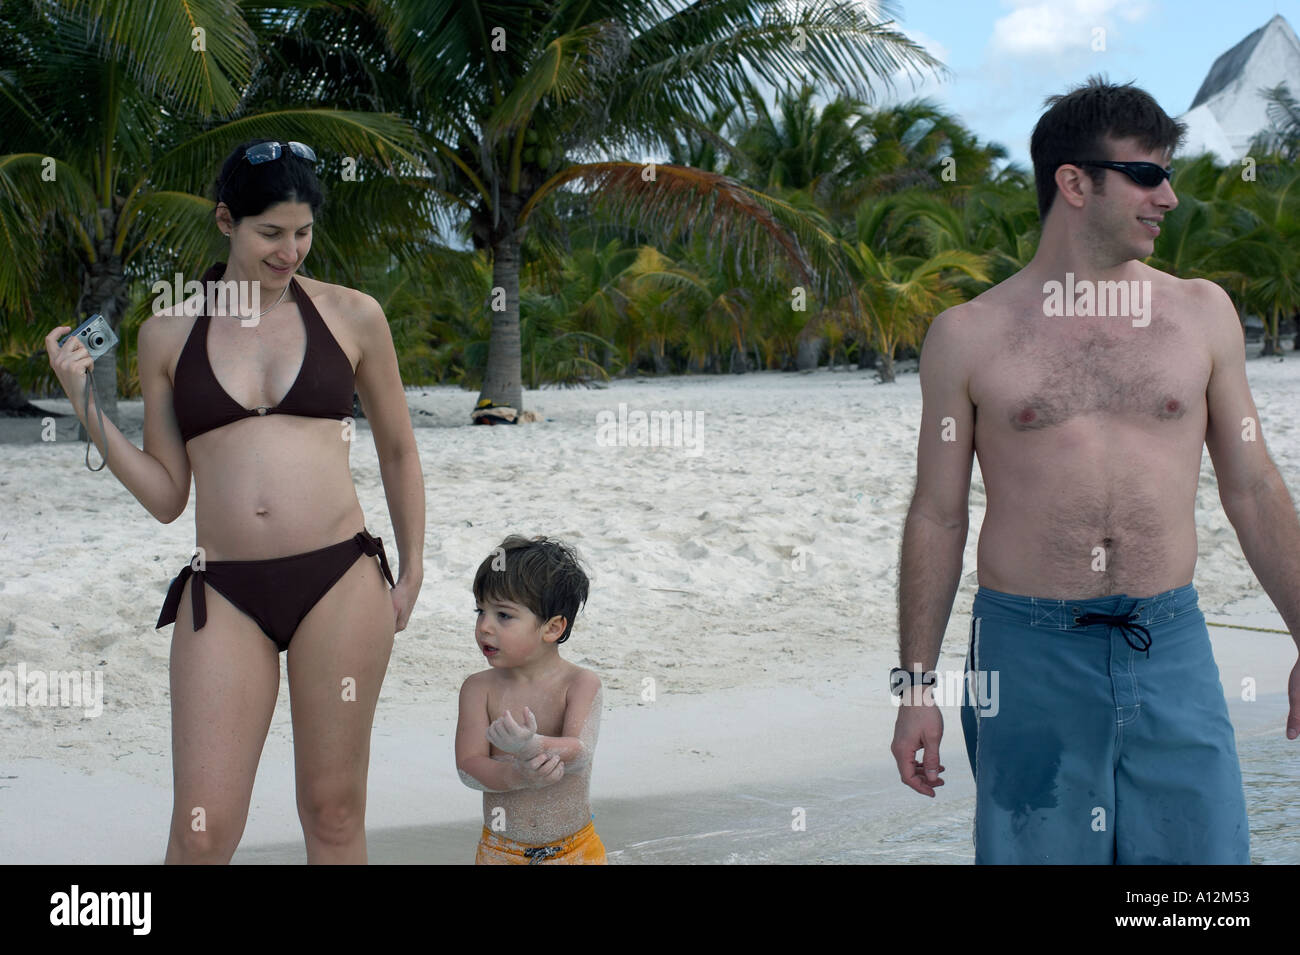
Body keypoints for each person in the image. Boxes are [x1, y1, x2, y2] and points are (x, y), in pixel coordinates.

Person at [889, 78, 1300, 864]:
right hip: (1026, 655)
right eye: (1146, 175)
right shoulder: (968, 335)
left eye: (1168, 174)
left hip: (1170, 643)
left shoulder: (1202, 313)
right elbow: (937, 513)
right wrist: (914, 689)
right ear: (1075, 183)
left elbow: (1253, 486)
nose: (1168, 197)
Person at [44, 139, 426, 863]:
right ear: (226, 221)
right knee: (201, 831)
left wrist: (411, 572)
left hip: (341, 580)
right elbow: (167, 495)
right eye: (271, 233)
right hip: (222, 591)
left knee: (333, 811)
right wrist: (84, 400)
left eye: (303, 232)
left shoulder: (354, 315)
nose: (291, 251)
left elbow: (399, 450)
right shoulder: (167, 333)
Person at [455, 535, 605, 864]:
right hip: (500, 851)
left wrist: (530, 746)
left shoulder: (580, 683)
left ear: (552, 628)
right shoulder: (478, 689)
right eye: (480, 611)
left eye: (503, 615)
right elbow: (468, 767)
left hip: (575, 850)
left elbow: (579, 753)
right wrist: (517, 776)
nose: (484, 626)